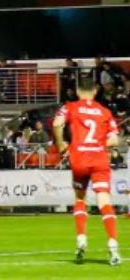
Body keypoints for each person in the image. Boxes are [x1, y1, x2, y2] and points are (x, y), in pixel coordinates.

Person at [52, 77, 121, 265]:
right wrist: (99, 143)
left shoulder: (70, 107)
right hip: (99, 158)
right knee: (104, 200)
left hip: (79, 157)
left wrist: (60, 144)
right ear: (95, 91)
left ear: (77, 91)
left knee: (80, 199)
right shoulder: (105, 111)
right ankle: (113, 244)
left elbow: (57, 123)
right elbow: (115, 140)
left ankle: (81, 238)